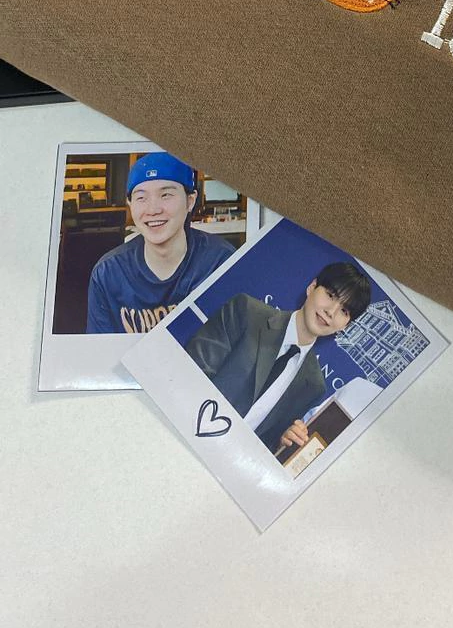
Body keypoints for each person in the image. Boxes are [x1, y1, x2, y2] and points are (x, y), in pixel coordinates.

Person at [185, 261, 372, 452]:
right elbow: (192, 368)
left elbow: (265, 446)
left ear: (345, 326)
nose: (331, 312)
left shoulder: (313, 386)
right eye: (330, 295)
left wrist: (282, 443)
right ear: (312, 287)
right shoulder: (247, 312)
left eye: (344, 311)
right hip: (182, 427)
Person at [86, 151, 234, 334]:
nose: (153, 210)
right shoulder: (109, 273)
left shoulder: (221, 262)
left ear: (190, 201)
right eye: (141, 198)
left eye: (166, 195)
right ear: (130, 204)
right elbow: (99, 348)